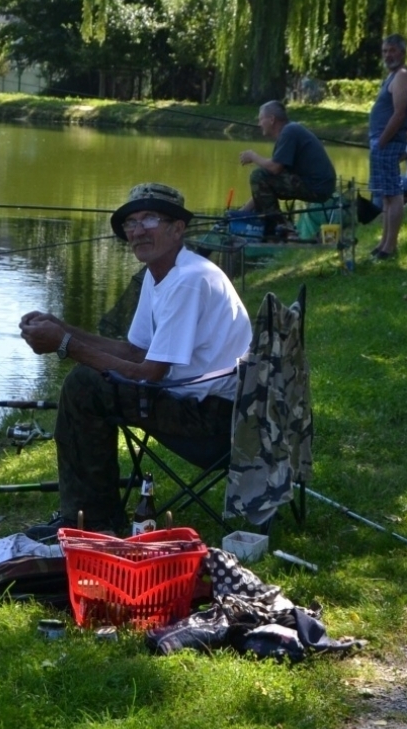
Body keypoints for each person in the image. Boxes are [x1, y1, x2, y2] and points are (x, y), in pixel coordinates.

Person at [19, 183, 252, 534]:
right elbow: (133, 351)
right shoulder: (161, 272)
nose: (138, 230)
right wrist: (62, 327)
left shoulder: (189, 280)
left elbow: (148, 375)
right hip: (200, 404)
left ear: (178, 228)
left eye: (150, 219)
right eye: (131, 222)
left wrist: (65, 344)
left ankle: (91, 520)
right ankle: (91, 515)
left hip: (217, 424)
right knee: (89, 379)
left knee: (86, 385)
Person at [237, 100, 337, 238]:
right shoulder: (290, 131)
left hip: (317, 187)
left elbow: (275, 168)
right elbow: (267, 185)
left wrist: (253, 156)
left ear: (272, 119)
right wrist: (242, 212)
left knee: (258, 175)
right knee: (262, 177)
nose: (259, 124)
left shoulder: (289, 132)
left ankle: (283, 228)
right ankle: (273, 228)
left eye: (261, 119)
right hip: (318, 185)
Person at [368, 34, 407, 260]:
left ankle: (390, 247)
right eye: (385, 51)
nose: (388, 55)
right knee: (385, 196)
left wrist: (383, 141)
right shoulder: (392, 76)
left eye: (392, 50)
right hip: (381, 144)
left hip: (387, 143)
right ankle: (383, 244)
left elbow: (399, 114)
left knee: (394, 195)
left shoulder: (403, 76)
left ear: (403, 53)